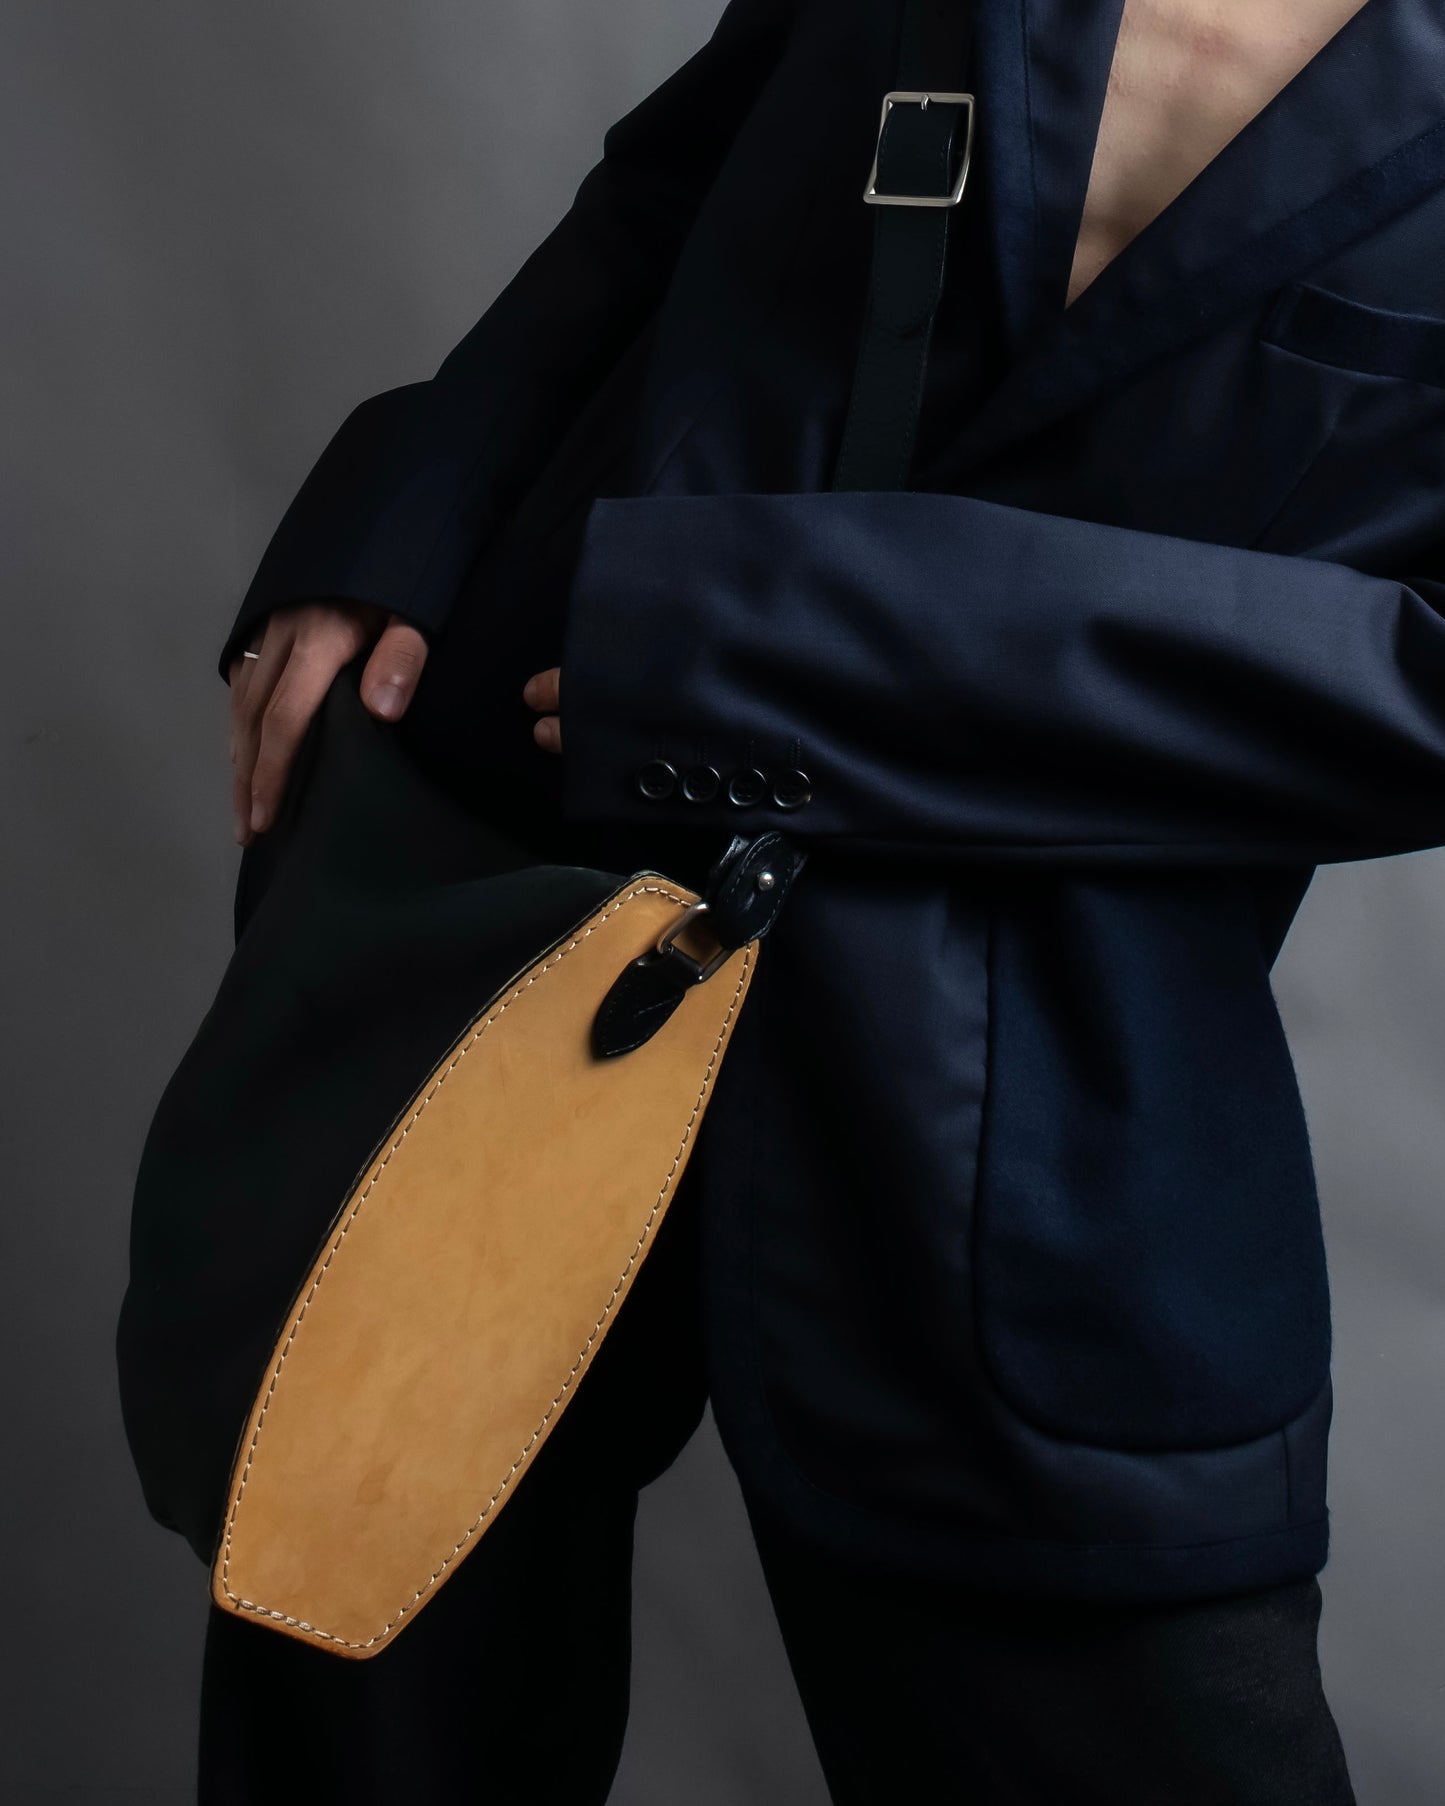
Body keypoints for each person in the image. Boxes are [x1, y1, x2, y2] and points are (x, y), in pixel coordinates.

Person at [204, 0, 1445, 1797]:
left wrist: (795, 647)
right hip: (506, 907)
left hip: (1031, 1115)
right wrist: (409, 506)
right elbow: (672, 193)